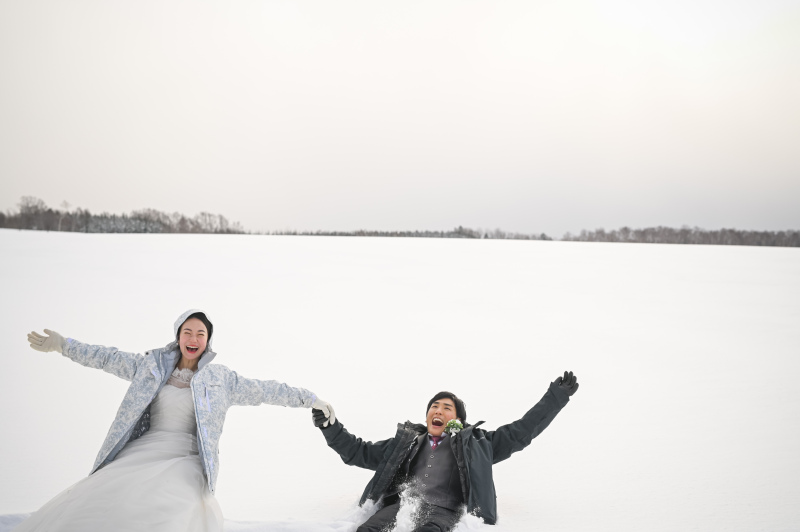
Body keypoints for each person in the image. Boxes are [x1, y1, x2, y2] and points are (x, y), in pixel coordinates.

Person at [17, 309, 335, 532]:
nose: (193, 338)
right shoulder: (151, 365)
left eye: (200, 333)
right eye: (187, 332)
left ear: (207, 340)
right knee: (110, 498)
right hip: (144, 448)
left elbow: (267, 390)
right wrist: (63, 345)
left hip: (187, 456)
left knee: (175, 502)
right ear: (178, 336)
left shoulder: (220, 378)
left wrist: (310, 398)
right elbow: (106, 357)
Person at [312, 371, 579, 531]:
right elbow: (359, 452)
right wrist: (330, 426)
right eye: (434, 406)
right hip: (403, 503)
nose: (438, 410)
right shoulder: (406, 443)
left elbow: (522, 431)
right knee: (369, 529)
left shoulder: (477, 445)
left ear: (458, 420)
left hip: (443, 509)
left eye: (446, 408)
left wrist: (555, 397)